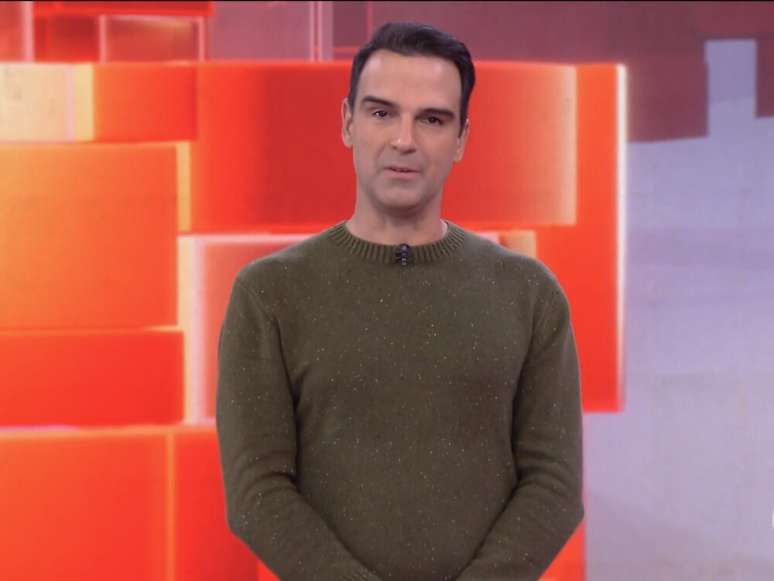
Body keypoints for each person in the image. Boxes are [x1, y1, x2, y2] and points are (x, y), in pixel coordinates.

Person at [216, 21, 584, 581]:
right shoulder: (269, 294)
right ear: (348, 122)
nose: (404, 140)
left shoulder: (529, 294)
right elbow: (256, 493)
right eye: (382, 112)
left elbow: (555, 485)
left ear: (461, 139)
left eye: (431, 119)